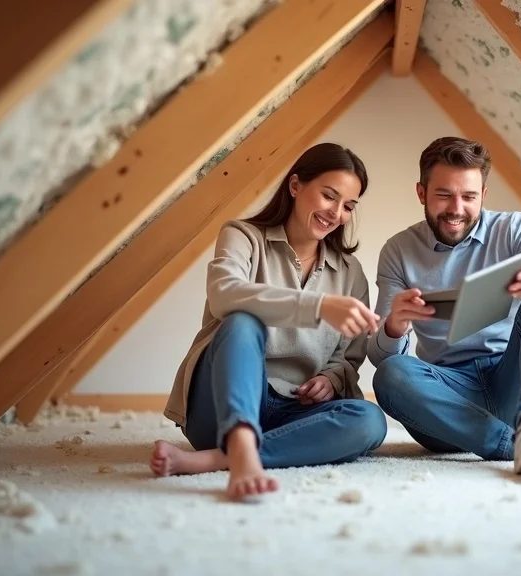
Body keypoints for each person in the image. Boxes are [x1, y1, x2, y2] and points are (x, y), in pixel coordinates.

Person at [152, 142, 387, 501]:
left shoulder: (350, 272)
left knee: (370, 421)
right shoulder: (242, 236)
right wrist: (318, 306)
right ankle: (239, 443)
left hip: (294, 412)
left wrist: (331, 378)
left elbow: (347, 356)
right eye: (329, 196)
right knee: (241, 322)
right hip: (221, 408)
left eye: (348, 206)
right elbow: (224, 294)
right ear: (295, 185)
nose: (337, 213)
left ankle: (218, 459)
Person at [369, 136, 521, 478]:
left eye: (469, 197)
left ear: (484, 195)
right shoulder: (398, 251)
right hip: (446, 399)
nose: (457, 209)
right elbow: (380, 357)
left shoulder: (515, 228)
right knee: (391, 374)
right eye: (444, 195)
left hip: (511, 380)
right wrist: (394, 327)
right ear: (421, 193)